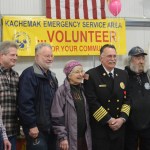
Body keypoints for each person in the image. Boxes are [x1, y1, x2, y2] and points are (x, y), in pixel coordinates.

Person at [83, 44, 131, 150]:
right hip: (102, 127)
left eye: (114, 56)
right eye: (109, 56)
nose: (113, 59)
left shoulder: (123, 74)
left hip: (120, 126)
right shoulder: (91, 75)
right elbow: (92, 102)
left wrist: (122, 119)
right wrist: (109, 120)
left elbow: (127, 99)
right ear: (101, 58)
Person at [18, 43, 58, 150]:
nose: (50, 59)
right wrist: (31, 125)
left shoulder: (52, 77)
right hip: (36, 130)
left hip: (51, 129)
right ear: (36, 57)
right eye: (46, 56)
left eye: (51, 56)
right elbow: (25, 103)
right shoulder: (28, 75)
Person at [51, 60, 92, 150]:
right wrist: (62, 138)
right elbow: (57, 117)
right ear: (69, 75)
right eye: (77, 72)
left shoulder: (84, 89)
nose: (81, 74)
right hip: (69, 138)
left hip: (85, 138)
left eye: (82, 71)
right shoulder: (61, 91)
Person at [124, 46, 150, 150]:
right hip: (130, 124)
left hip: (148, 124)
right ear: (130, 60)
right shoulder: (124, 75)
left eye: (143, 58)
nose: (141, 61)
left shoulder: (147, 75)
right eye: (138, 58)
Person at [0, 41, 19, 150]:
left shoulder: (16, 76)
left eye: (16, 55)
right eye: (12, 55)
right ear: (2, 55)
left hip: (12, 130)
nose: (15, 58)